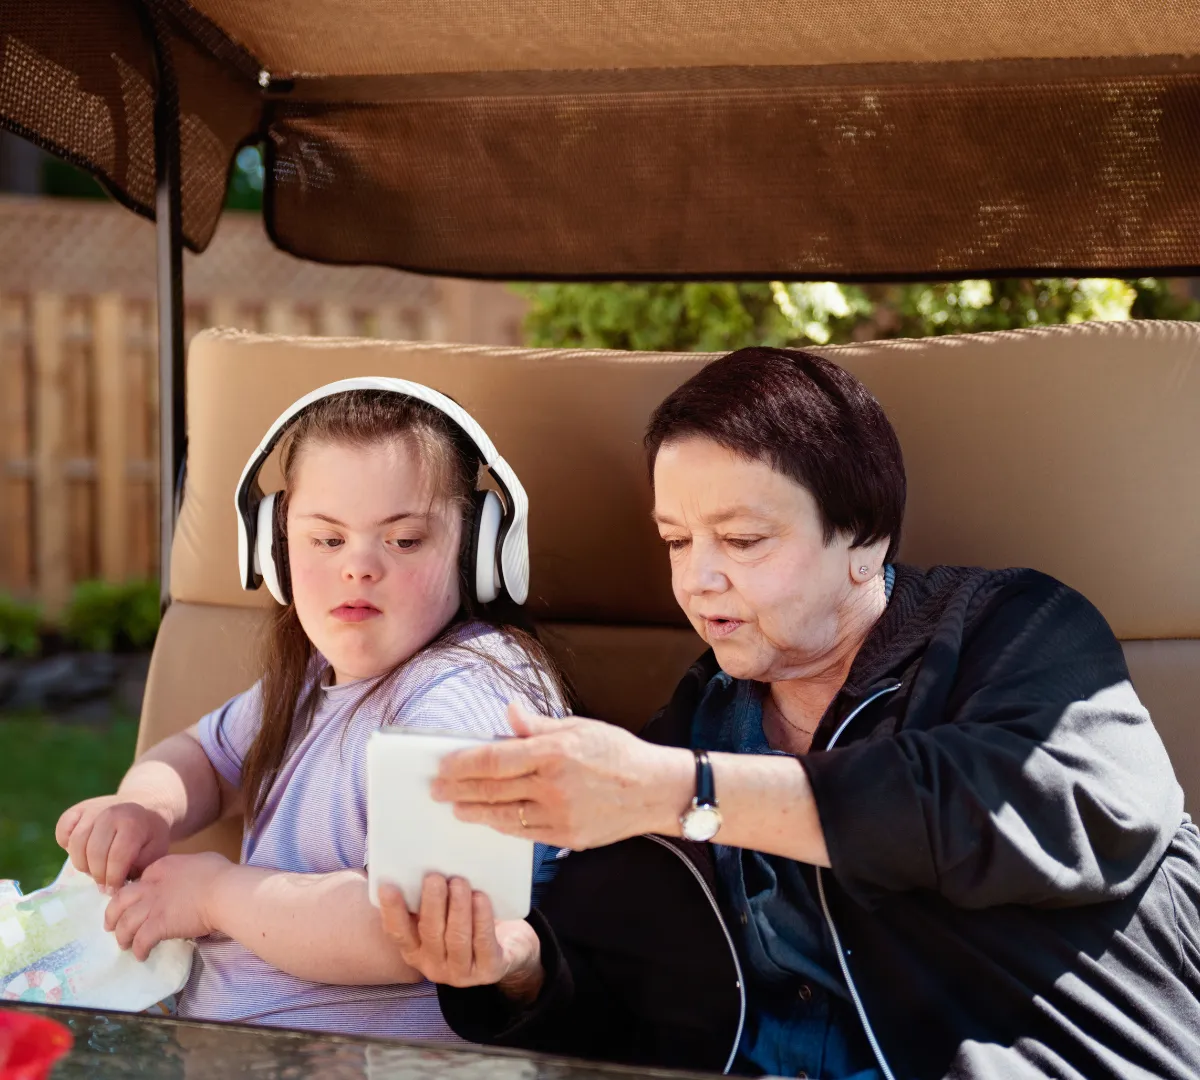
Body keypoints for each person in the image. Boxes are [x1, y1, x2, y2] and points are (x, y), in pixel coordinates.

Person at [379, 348, 1200, 1079]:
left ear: (866, 540)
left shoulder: (1015, 631)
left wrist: (684, 793)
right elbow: (616, 1000)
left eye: (740, 541)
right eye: (675, 541)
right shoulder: (693, 730)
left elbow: (1051, 810)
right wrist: (517, 970)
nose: (697, 581)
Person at [54, 387, 567, 1039]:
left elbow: (403, 930)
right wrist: (148, 809)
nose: (359, 566)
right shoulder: (311, 681)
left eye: (405, 540)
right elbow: (204, 758)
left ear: (479, 551)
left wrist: (215, 895)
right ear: (275, 550)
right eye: (326, 538)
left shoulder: (462, 697)